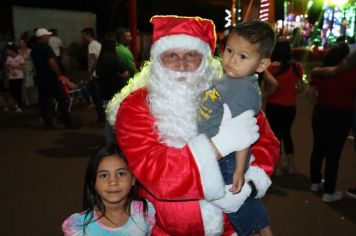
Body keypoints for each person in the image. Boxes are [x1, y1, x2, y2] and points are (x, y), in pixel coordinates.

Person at [106, 15, 279, 235]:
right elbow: (156, 174)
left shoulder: (228, 92)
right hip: (166, 230)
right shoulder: (135, 107)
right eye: (171, 55)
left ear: (205, 60)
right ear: (157, 60)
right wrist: (219, 145)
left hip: (230, 230)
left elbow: (267, 144)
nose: (181, 64)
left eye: (191, 55)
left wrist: (250, 185)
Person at [197, 20, 275, 236]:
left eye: (243, 56)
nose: (231, 60)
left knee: (238, 206)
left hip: (228, 159)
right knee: (238, 205)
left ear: (261, 65)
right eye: (229, 50)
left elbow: (244, 136)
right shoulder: (231, 79)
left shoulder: (244, 91)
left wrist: (239, 170)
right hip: (217, 151)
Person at [62, 144, 156, 235]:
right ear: (93, 183)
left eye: (121, 174)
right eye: (104, 175)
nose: (113, 182)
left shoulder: (144, 212)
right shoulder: (79, 225)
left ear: (133, 179)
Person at [306, 42, 356, 202]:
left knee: (318, 148)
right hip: (342, 116)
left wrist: (320, 104)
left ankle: (314, 182)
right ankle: (329, 191)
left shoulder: (321, 71)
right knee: (334, 154)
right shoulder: (352, 72)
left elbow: (310, 92)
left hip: (321, 112)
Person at [264, 39, 304, 175]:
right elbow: (300, 89)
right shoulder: (297, 67)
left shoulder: (269, 67)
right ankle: (291, 165)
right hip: (290, 107)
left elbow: (269, 87)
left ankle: (278, 166)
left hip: (274, 105)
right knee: (287, 134)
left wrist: (266, 95)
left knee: (275, 136)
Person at [30, 28, 79, 130]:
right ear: (41, 37)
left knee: (44, 101)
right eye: (47, 36)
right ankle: (67, 122)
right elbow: (52, 63)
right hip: (51, 78)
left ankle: (48, 124)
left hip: (40, 78)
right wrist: (59, 75)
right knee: (62, 99)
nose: (49, 38)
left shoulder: (33, 49)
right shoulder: (46, 48)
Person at [96, 38, 129, 144]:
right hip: (114, 92)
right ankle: (114, 142)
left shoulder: (101, 59)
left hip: (104, 91)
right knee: (116, 118)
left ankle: (109, 141)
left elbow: (97, 74)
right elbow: (125, 73)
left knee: (109, 119)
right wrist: (118, 75)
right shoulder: (113, 59)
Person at [81, 27, 105, 123]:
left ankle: (101, 118)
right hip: (98, 74)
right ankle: (102, 117)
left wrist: (90, 73)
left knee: (96, 97)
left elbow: (96, 60)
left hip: (94, 75)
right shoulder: (98, 44)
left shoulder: (91, 45)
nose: (83, 39)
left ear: (87, 35)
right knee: (98, 96)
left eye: (83, 36)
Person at [5, 43, 25, 113]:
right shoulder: (8, 58)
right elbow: (7, 66)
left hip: (19, 76)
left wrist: (14, 67)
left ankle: (19, 106)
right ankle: (18, 102)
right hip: (11, 76)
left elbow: (22, 67)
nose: (7, 52)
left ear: (12, 50)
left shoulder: (20, 57)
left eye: (8, 50)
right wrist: (10, 70)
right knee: (11, 90)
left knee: (18, 91)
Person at [18, 38, 37, 106]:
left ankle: (33, 99)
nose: (21, 44)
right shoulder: (18, 51)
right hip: (20, 69)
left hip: (29, 68)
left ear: (26, 43)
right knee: (23, 85)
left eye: (23, 42)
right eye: (20, 43)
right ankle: (26, 100)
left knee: (31, 85)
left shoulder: (30, 51)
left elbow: (34, 60)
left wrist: (35, 68)